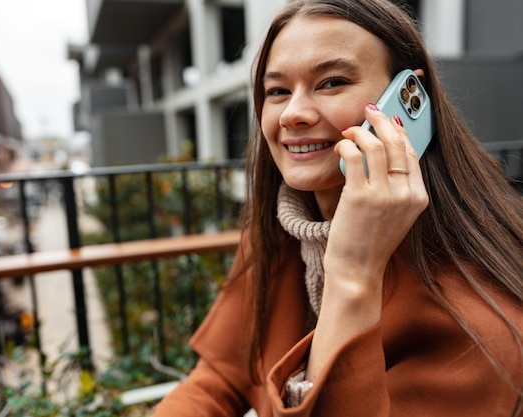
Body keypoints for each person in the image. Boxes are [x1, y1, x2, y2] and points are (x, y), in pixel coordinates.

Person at [152, 0, 523, 416]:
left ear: (409, 98)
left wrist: (352, 269)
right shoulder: (280, 229)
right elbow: (218, 379)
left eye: (331, 83)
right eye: (277, 91)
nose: (293, 114)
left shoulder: (483, 317)